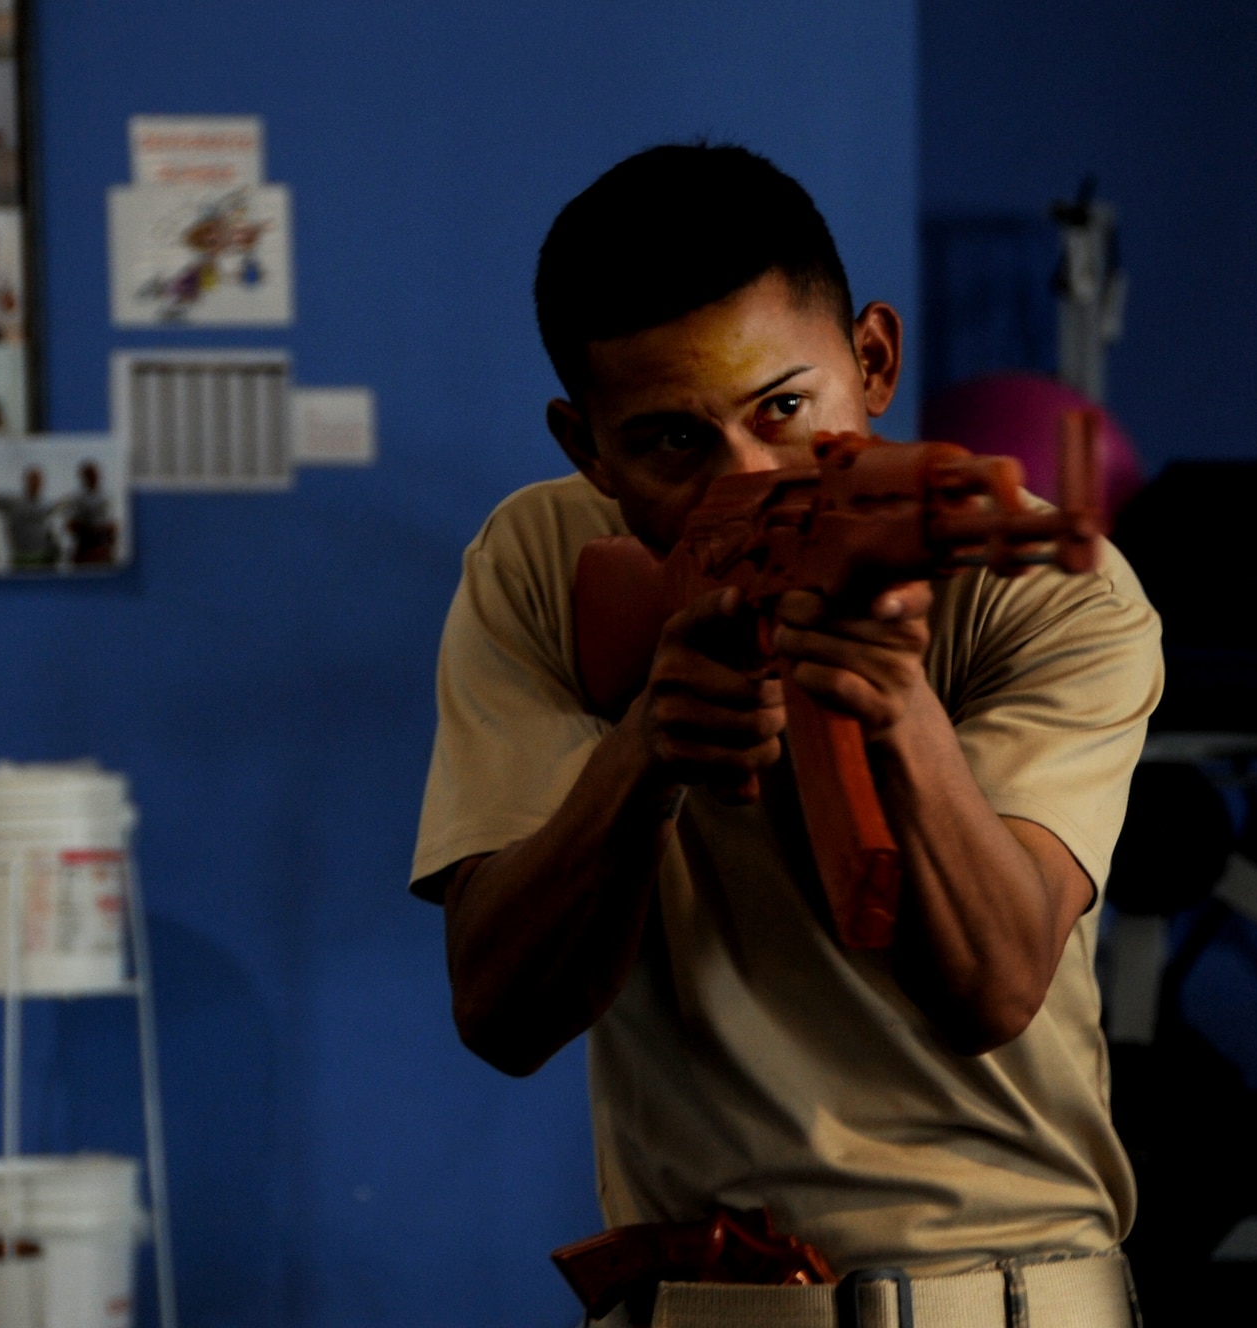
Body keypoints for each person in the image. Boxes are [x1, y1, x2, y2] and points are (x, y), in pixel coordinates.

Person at [413, 145, 1162, 1328]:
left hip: (1005, 1298)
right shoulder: (543, 567)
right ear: (585, 448)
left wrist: (893, 704)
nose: (746, 476)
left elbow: (993, 985)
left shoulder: (1047, 584)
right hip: (701, 1302)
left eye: (782, 409)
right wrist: (644, 753)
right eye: (672, 441)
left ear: (872, 357)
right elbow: (499, 1013)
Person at [62, 460, 117, 565]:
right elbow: (70, 526)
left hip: (102, 548)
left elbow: (112, 525)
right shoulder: (77, 499)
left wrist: (111, 548)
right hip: (85, 547)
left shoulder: (105, 497)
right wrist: (90, 529)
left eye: (95, 475)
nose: (94, 478)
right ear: (84, 478)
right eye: (90, 475)